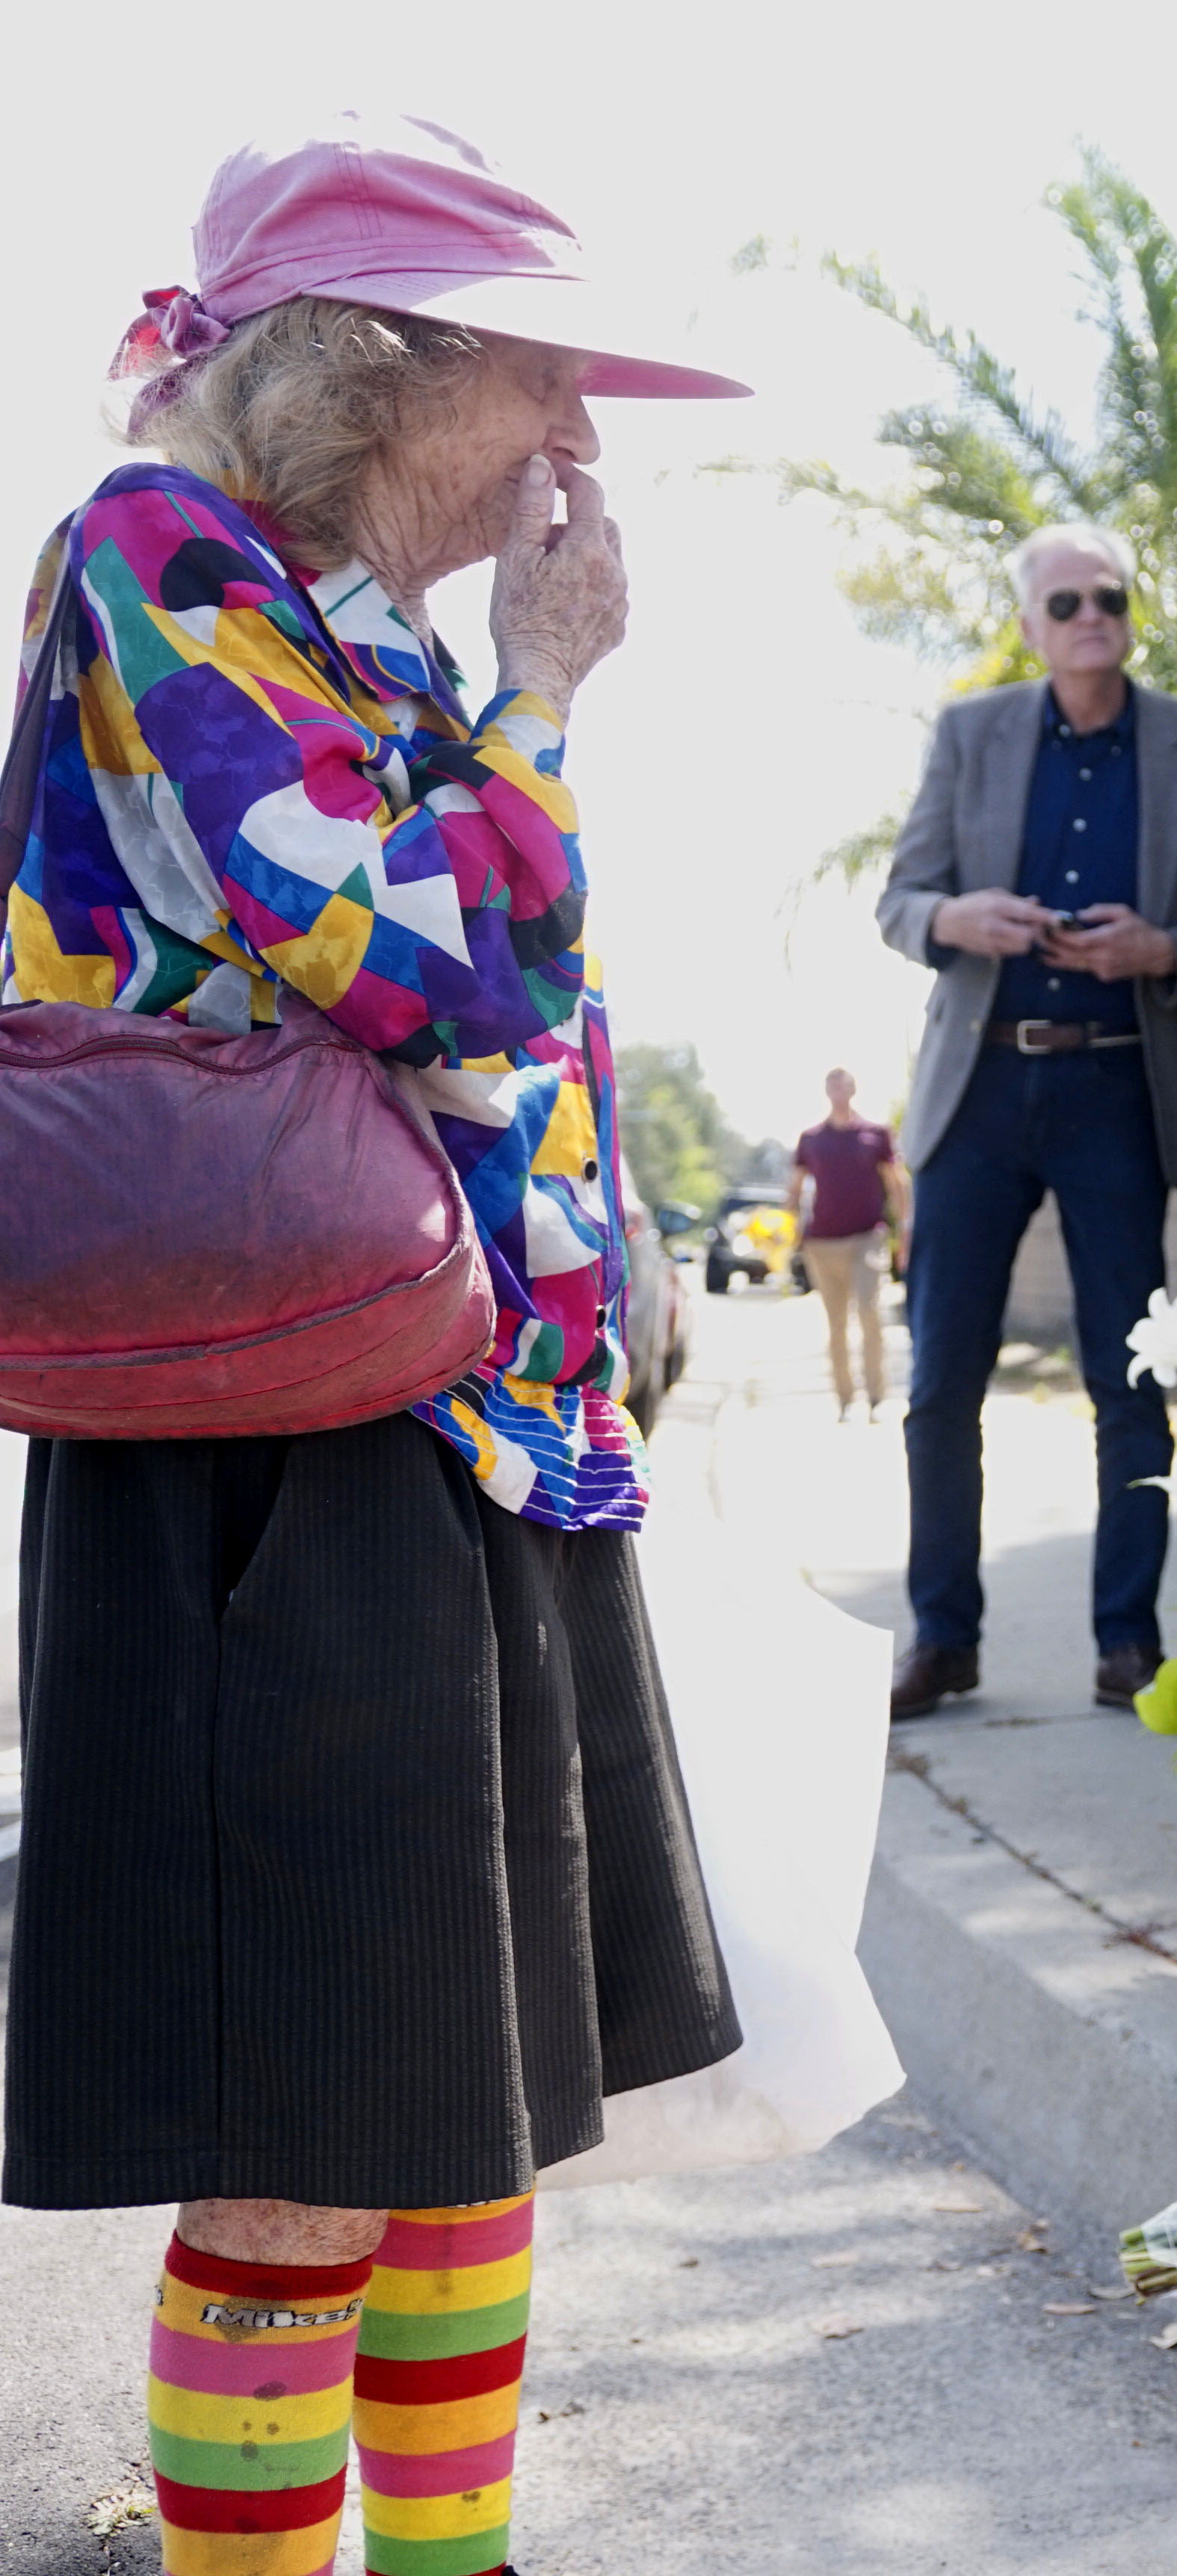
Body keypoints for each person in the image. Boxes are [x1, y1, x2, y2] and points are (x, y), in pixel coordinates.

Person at [3, 115, 742, 2576]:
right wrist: (535, 696)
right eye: (535, 382)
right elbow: (420, 957)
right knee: (313, 2140)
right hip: (275, 1425)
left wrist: (603, 1244)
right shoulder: (158, 556)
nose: (571, 447)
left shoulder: (337, 614)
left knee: (454, 2116)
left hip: (458, 1412)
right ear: (361, 373)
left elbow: (507, 1004)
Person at [875, 526, 1177, 1718]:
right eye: (1065, 602)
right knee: (942, 1379)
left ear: (1131, 612)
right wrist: (961, 919)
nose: (1090, 616)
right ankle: (943, 1637)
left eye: (1108, 597)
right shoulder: (971, 735)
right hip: (981, 1091)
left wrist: (1170, 948)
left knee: (1130, 1378)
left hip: (1120, 1086)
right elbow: (898, 900)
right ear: (1031, 624)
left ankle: (1128, 1643)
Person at [791, 1065, 903, 1419]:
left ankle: (875, 1396)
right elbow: (793, 1190)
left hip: (867, 1236)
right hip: (822, 1244)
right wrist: (785, 1231)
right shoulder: (811, 1139)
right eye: (833, 1086)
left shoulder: (875, 1134)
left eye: (845, 1085)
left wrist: (908, 1230)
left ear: (854, 1090)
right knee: (836, 1323)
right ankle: (844, 1399)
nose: (839, 1091)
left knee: (870, 1313)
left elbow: (896, 1181)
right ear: (827, 1092)